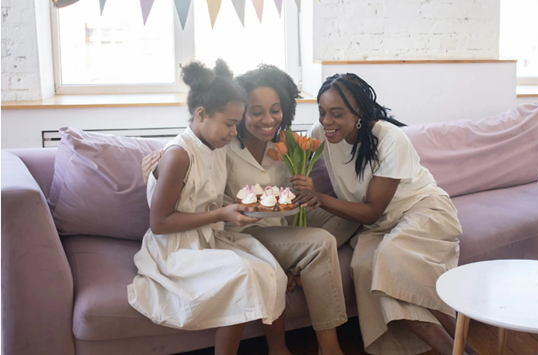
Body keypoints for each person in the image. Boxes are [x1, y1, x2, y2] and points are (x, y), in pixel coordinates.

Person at [142, 64, 357, 355]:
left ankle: (291, 267)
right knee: (319, 244)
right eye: (255, 112)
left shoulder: (285, 145)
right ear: (241, 113)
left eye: (275, 109)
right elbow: (185, 167)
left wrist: (305, 188)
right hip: (240, 229)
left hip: (278, 225)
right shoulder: (222, 144)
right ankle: (324, 346)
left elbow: (285, 199)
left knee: (349, 213)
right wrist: (156, 169)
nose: (268, 119)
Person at [129, 59, 300, 355]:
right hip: (176, 249)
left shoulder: (215, 146)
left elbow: (212, 196)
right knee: (241, 274)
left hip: (209, 238)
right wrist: (222, 213)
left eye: (236, 123)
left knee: (271, 269)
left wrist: (239, 208)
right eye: (230, 123)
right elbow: (160, 223)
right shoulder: (179, 156)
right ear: (201, 114)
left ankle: (279, 349)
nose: (234, 132)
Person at [290, 73, 465, 355]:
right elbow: (293, 164)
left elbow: (371, 211)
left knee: (391, 257)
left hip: (420, 210)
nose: (326, 122)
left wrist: (319, 198)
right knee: (365, 269)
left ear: (359, 112)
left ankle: (461, 343)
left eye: (337, 114)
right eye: (322, 112)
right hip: (378, 226)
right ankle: (460, 350)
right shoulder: (319, 133)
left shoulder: (390, 138)